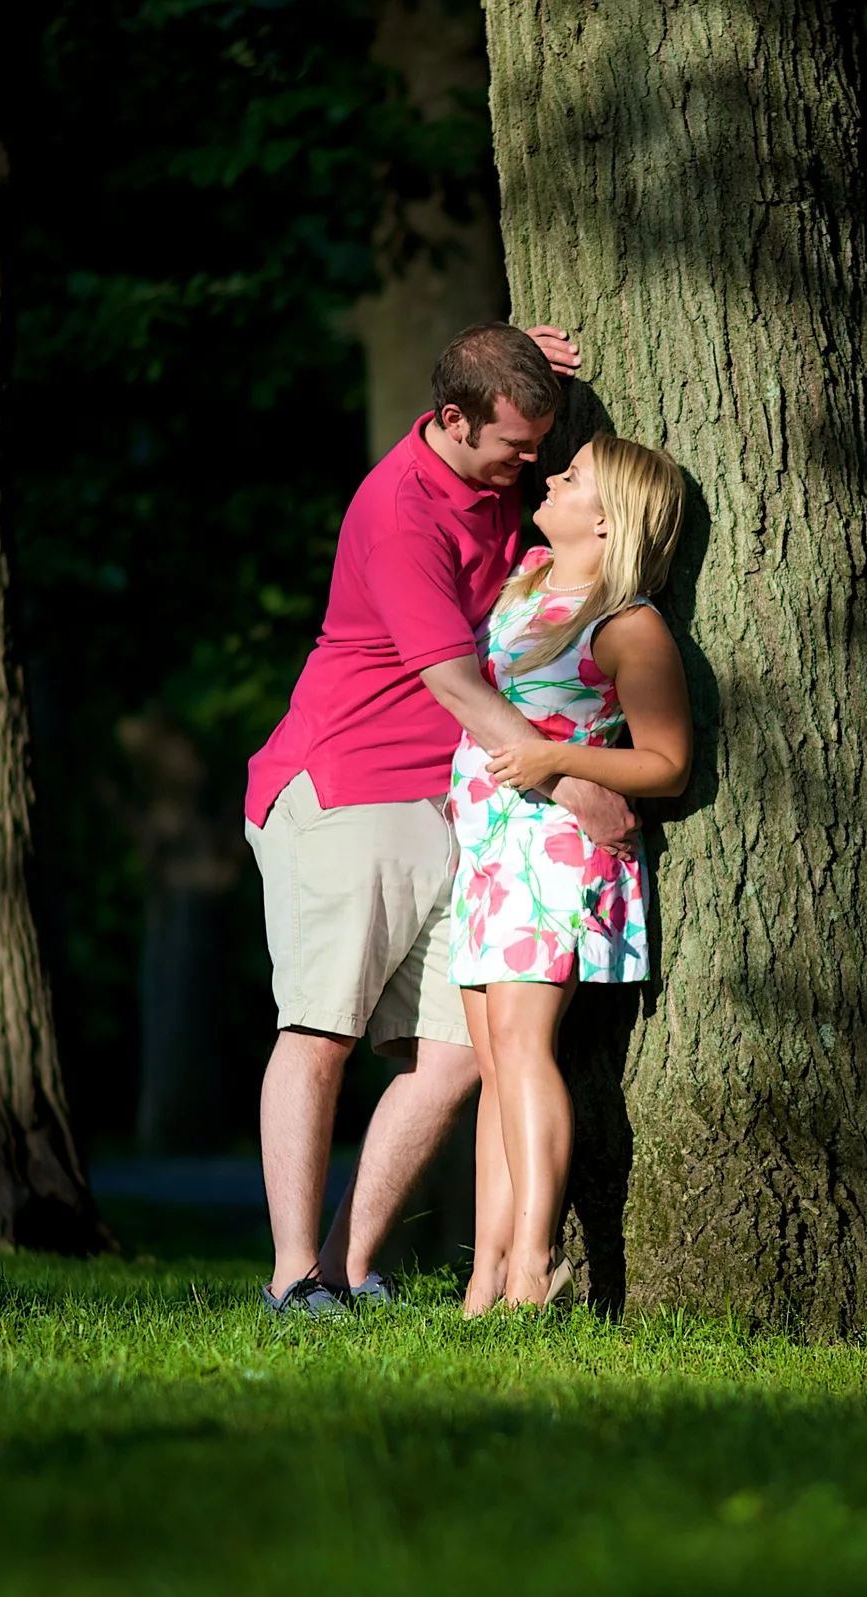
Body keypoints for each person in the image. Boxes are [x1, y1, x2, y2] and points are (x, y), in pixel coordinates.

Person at [241, 322, 634, 1314]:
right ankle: (291, 1276)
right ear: (453, 420)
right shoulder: (402, 512)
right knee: (321, 1027)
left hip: (457, 798)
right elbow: (454, 679)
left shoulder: (497, 461)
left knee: (458, 1053)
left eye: (540, 442)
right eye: (514, 443)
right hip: (350, 786)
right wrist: (568, 777)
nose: (533, 462)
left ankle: (345, 1265)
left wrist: (502, 335)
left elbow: (493, 394)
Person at [448, 437, 692, 1314]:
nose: (550, 478)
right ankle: (486, 1281)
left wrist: (555, 757)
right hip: (488, 852)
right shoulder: (524, 587)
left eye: (574, 476)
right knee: (494, 1063)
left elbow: (666, 762)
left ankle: (534, 1266)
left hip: (554, 854)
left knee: (522, 1048)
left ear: (608, 518)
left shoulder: (626, 622)